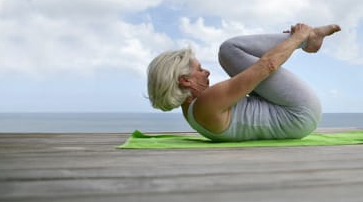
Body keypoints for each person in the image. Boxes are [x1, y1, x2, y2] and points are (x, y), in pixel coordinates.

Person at [146, 23, 341, 141]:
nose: (206, 72)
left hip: (294, 119)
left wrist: (284, 43)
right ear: (185, 81)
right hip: (299, 111)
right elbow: (268, 65)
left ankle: (307, 38)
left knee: (241, 61)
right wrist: (298, 37)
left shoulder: (192, 112)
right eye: (199, 69)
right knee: (228, 50)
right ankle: (310, 37)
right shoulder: (206, 103)